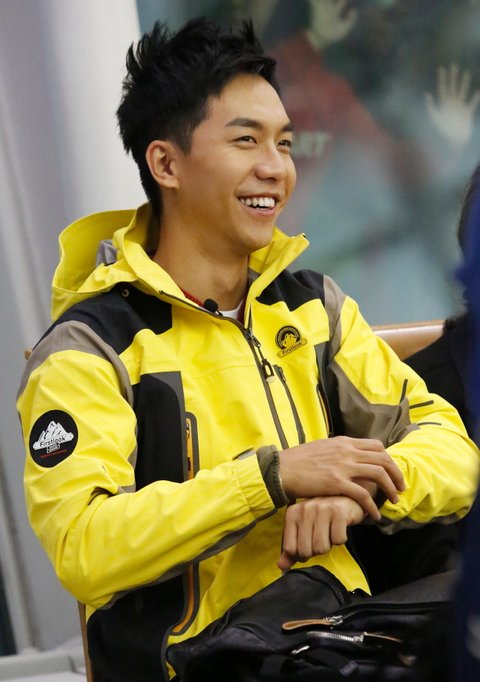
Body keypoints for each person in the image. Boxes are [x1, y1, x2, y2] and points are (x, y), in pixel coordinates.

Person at [16, 18, 479, 682]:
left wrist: (355, 493)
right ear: (166, 164)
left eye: (284, 142)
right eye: (246, 140)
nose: (276, 167)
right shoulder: (90, 346)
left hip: (338, 634)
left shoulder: (312, 305)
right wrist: (271, 478)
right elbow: (85, 546)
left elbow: (453, 449)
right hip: (198, 664)